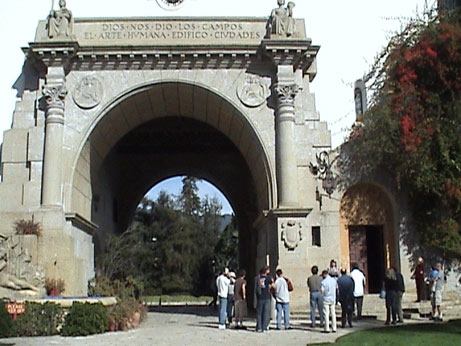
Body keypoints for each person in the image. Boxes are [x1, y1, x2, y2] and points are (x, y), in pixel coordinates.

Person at [254, 265, 273, 332]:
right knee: (266, 313)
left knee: (259, 313)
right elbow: (273, 286)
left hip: (260, 297)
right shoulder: (269, 278)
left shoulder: (257, 278)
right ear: (266, 271)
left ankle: (259, 327)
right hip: (267, 297)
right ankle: (264, 327)